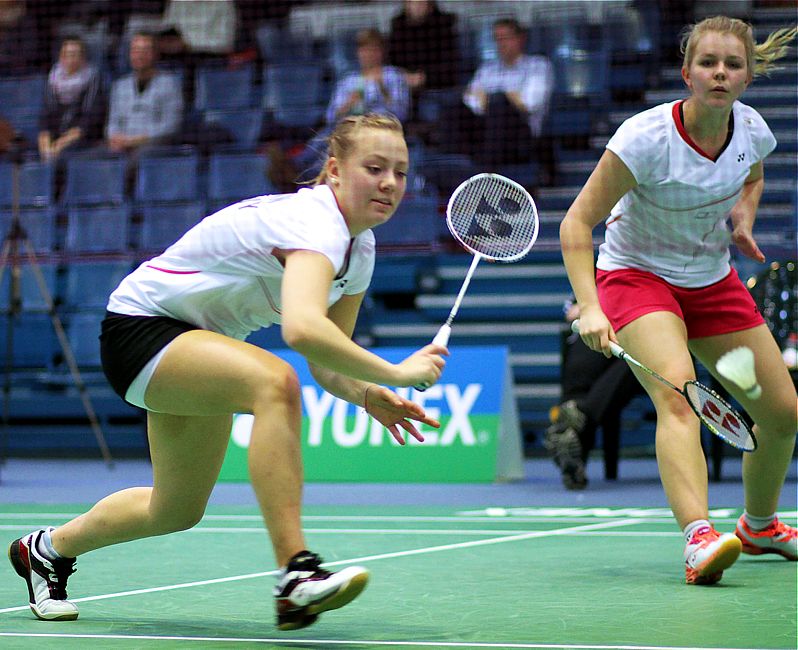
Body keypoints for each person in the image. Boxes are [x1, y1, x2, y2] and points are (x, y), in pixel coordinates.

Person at [8, 113, 448, 629]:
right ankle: (296, 573)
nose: (390, 183)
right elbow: (303, 330)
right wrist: (397, 373)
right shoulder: (314, 222)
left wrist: (368, 394)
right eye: (374, 168)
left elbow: (328, 358)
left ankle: (46, 550)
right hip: (141, 328)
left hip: (198, 345)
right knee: (274, 382)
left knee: (175, 510)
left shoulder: (361, 249)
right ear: (334, 171)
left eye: (400, 171)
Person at [559, 16, 797, 586]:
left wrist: (743, 218)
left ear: (747, 76)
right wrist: (590, 306)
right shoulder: (644, 139)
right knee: (678, 393)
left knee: (783, 413)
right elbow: (576, 223)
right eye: (708, 63)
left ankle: (759, 527)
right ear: (687, 73)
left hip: (711, 280)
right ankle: (698, 537)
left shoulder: (752, 130)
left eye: (733, 64)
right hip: (636, 276)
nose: (720, 73)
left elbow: (752, 177)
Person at [435, 18, 554, 178]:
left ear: (521, 38)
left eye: (506, 38)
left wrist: (495, 97)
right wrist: (510, 95)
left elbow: (530, 103)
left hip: (521, 135)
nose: (501, 44)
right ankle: (451, 169)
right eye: (498, 39)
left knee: (498, 103)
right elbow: (471, 101)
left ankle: (487, 171)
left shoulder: (538, 65)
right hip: (486, 130)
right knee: (453, 106)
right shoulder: (487, 69)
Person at [544, 300, 642, 490]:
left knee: (633, 357)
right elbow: (572, 309)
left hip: (644, 325)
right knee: (581, 363)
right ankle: (572, 427)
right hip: (605, 319)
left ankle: (577, 422)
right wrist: (587, 308)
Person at [105, 31, 183, 156]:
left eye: (145, 51)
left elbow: (171, 125)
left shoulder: (169, 84)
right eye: (135, 51)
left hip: (153, 146)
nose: (139, 56)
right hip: (122, 146)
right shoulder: (120, 86)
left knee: (138, 159)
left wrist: (135, 140)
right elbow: (113, 122)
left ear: (155, 54)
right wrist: (114, 137)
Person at [387, 0, 459, 123]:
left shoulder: (444, 25)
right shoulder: (398, 27)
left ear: (430, 5)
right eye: (412, 3)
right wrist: (404, 76)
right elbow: (392, 62)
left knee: (431, 111)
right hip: (404, 88)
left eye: (421, 3)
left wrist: (424, 78)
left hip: (437, 87)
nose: (416, 7)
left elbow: (450, 66)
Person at [38, 36, 106, 162]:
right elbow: (46, 118)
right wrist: (45, 145)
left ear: (83, 58)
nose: (69, 59)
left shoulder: (93, 78)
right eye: (66, 55)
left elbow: (89, 120)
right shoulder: (53, 78)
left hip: (84, 140)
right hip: (55, 139)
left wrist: (60, 144)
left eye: (74, 55)